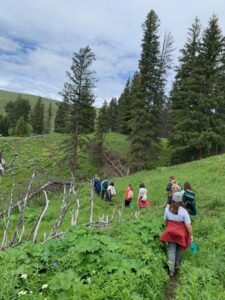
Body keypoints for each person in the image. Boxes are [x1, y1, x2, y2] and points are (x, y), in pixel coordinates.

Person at [160, 191, 193, 277]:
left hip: (170, 232)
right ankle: (177, 265)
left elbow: (165, 222)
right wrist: (191, 235)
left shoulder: (167, 209)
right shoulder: (183, 211)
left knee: (171, 251)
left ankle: (171, 271)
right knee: (179, 249)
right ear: (181, 201)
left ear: (173, 200)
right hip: (181, 234)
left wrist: (167, 228)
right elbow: (188, 226)